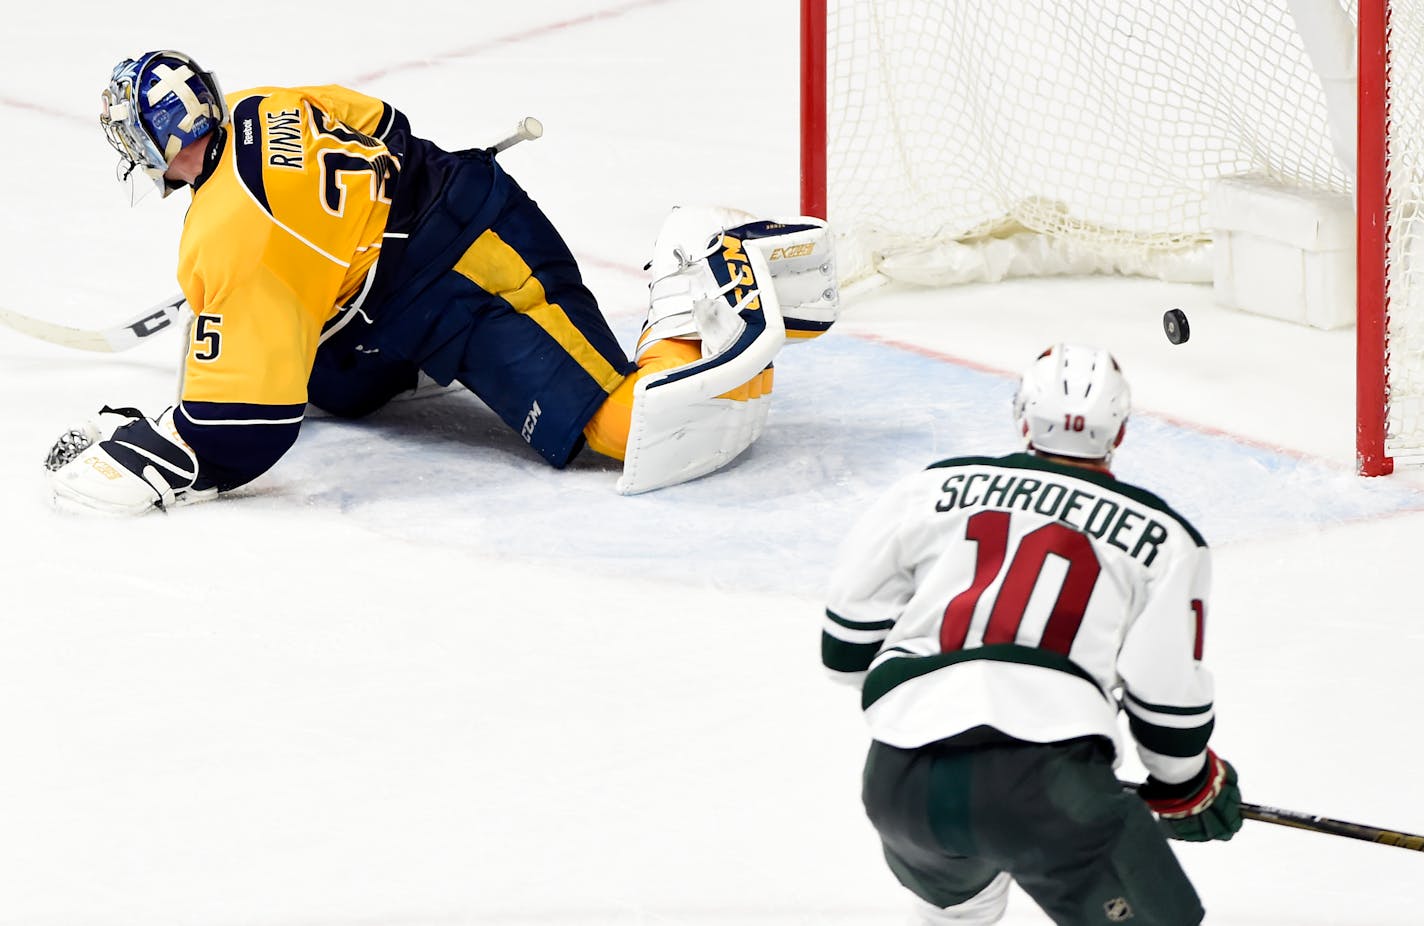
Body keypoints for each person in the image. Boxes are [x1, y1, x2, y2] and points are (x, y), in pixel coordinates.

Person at [44, 50, 838, 514]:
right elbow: (388, 125)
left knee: (625, 431)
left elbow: (244, 433)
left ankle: (702, 259)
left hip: (472, 258)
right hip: (404, 255)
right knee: (333, 379)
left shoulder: (223, 238)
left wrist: (171, 456)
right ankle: (419, 348)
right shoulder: (265, 102)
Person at [821, 344, 1241, 925]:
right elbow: (1165, 697)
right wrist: (1189, 782)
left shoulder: (928, 491)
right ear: (1118, 433)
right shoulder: (1166, 538)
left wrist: (944, 702)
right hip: (1048, 786)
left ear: (1022, 417)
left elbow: (845, 653)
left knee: (958, 915)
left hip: (901, 783)